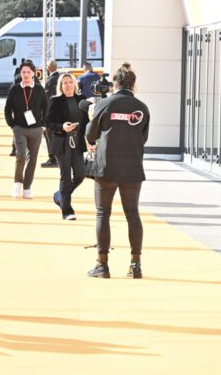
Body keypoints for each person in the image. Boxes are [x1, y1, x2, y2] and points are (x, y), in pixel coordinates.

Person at [85, 62, 150, 279]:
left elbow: (91, 135)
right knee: (133, 214)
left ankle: (102, 265)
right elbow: (143, 138)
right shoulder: (142, 108)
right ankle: (136, 264)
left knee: (103, 213)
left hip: (107, 167)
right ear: (134, 85)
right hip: (132, 167)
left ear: (115, 84)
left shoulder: (105, 104)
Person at [45, 73, 89, 220]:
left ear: (75, 84)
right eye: (65, 83)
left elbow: (87, 123)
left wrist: (91, 141)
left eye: (70, 82)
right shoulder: (55, 101)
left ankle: (60, 196)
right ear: (61, 86)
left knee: (80, 175)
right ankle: (67, 211)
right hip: (61, 142)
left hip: (77, 143)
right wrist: (62, 126)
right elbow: (48, 123)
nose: (68, 85)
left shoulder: (81, 100)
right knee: (66, 176)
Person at [4, 60, 47, 199]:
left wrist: (43, 124)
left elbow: (45, 107)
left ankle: (27, 187)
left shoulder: (39, 89)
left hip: (36, 129)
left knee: (32, 159)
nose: (26, 74)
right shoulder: (15, 89)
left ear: (33, 73)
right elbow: (7, 108)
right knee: (21, 155)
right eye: (23, 72)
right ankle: (17, 183)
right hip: (19, 128)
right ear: (20, 74)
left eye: (28, 72)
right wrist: (12, 124)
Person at [41, 59, 60, 168]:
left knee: (48, 134)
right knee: (53, 135)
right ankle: (55, 158)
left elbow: (47, 98)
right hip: (59, 112)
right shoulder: (60, 78)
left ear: (48, 67)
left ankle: (53, 158)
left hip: (51, 113)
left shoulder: (51, 80)